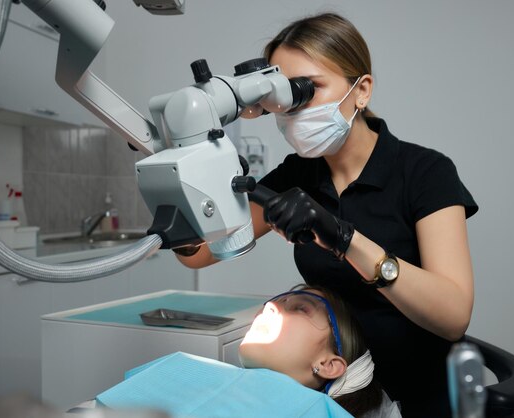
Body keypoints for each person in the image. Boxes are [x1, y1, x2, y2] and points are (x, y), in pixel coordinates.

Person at [176, 12, 478, 418]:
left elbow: (453, 316)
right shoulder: (299, 174)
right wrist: (177, 168)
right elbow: (199, 252)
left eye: (310, 88)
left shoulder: (425, 173)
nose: (295, 108)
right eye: (286, 94)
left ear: (361, 90)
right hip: (333, 397)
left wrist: (343, 238)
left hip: (420, 396)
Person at [91, 285, 396, 418]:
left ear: (328, 365)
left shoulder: (317, 412)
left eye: (301, 308)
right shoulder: (185, 367)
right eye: (275, 302)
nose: (273, 306)